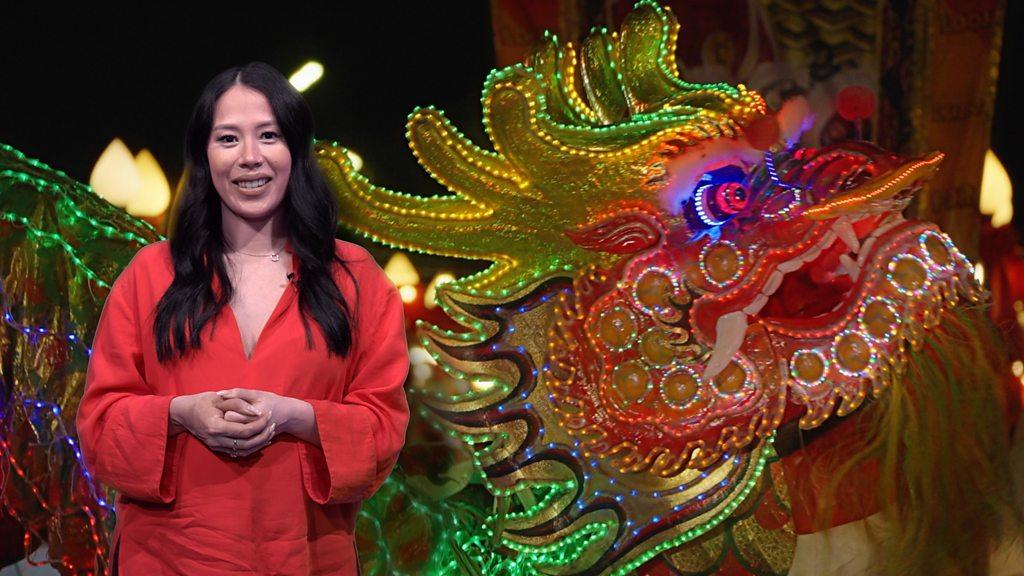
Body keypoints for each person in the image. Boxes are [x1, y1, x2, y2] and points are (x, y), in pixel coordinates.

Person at [75, 61, 411, 575]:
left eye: (269, 135)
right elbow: (99, 428)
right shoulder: (149, 275)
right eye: (228, 139)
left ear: (296, 151)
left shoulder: (356, 278)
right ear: (204, 157)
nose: (250, 158)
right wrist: (181, 413)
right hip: (169, 560)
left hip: (308, 559)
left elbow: (383, 429)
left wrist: (295, 415)